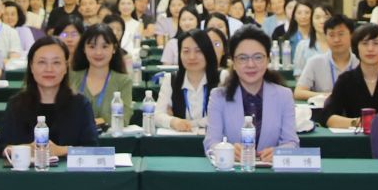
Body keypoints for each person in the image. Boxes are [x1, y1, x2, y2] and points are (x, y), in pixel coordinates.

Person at [203, 28, 300, 160]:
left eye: (258, 57)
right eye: (243, 58)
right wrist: (226, 150)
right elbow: (211, 143)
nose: (251, 64)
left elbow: (292, 142)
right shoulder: (218, 97)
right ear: (233, 63)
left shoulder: (284, 95)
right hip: (234, 171)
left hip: (271, 170)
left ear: (268, 60)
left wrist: (279, 152)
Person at [0, 36, 99, 160]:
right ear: (31, 66)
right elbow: (0, 146)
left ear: (66, 67)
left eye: (56, 62)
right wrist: (24, 149)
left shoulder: (81, 104)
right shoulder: (16, 104)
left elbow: (93, 149)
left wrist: (61, 150)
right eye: (42, 62)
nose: (49, 69)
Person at [322, 23, 378, 129]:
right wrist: (359, 122)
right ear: (356, 48)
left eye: (376, 43)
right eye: (365, 43)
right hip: (355, 137)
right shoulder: (345, 80)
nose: (370, 49)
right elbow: (329, 118)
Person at [152, 30, 218, 132]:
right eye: (186, 51)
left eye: (198, 51)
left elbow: (224, 116)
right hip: (182, 138)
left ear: (207, 52)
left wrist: (191, 123)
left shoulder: (222, 78)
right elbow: (157, 116)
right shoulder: (171, 79)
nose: (192, 57)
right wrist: (173, 121)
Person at [70, 24, 131, 129]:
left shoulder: (124, 81)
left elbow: (123, 119)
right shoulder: (71, 78)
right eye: (92, 47)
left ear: (114, 48)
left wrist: (92, 122)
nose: (98, 52)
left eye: (105, 47)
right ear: (84, 49)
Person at [295, 15, 357, 101]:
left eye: (341, 34)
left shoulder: (360, 62)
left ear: (352, 35)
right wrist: (327, 96)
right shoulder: (315, 62)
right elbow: (298, 92)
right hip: (325, 108)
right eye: (331, 35)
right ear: (326, 37)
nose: (336, 39)